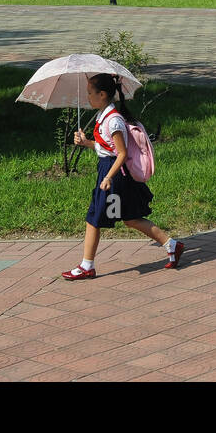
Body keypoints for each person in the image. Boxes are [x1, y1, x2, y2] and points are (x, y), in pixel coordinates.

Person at [61, 72, 183, 279]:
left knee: (94, 218)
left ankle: (86, 266)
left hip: (114, 175)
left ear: (102, 94)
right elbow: (106, 148)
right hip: (112, 172)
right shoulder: (104, 116)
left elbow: (122, 153)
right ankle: (172, 245)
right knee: (130, 218)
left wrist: (108, 177)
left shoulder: (114, 121)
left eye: (90, 93)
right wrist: (86, 142)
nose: (88, 97)